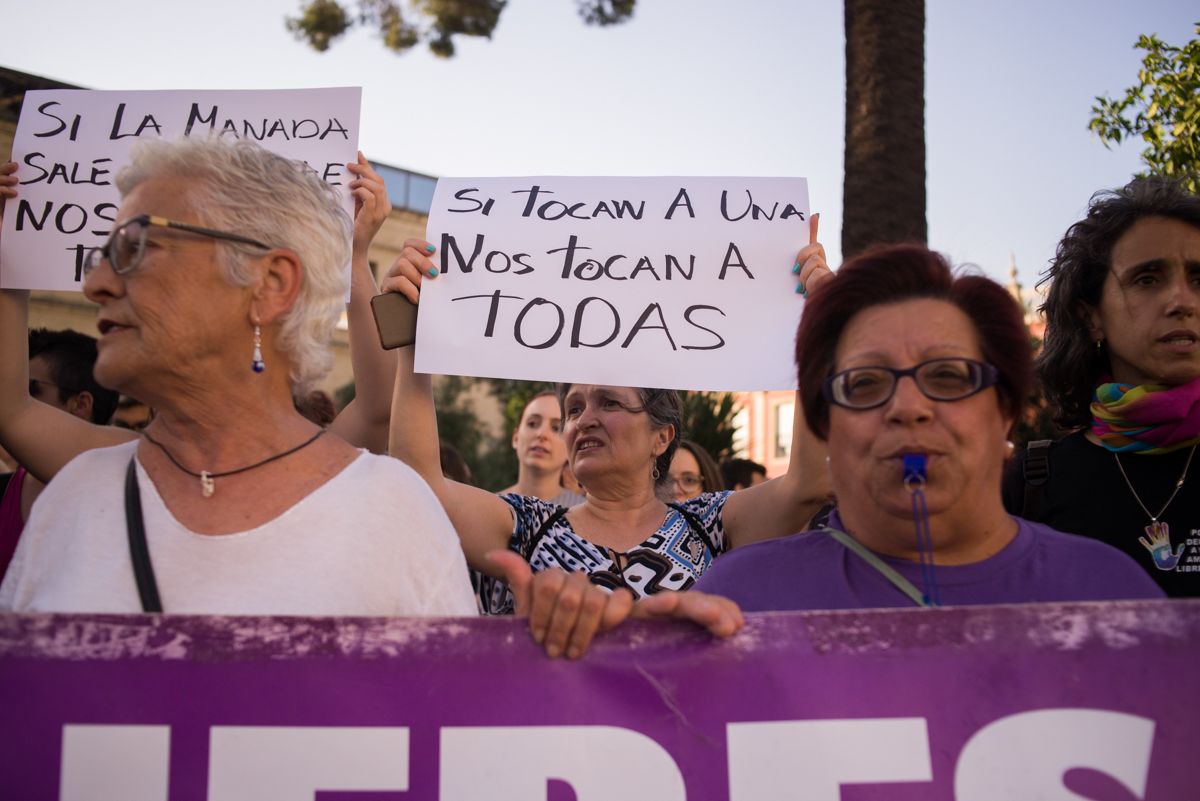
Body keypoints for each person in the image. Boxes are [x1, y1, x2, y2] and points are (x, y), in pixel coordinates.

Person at [0, 137, 476, 616]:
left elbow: (378, 406)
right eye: (102, 256)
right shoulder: (72, 499)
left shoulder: (394, 512)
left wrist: (352, 257)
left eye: (137, 248)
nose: (95, 284)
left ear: (271, 284)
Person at [385, 217, 836, 616]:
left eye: (610, 403)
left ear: (662, 437)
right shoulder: (526, 526)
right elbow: (418, 490)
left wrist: (820, 326)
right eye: (574, 408)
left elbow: (807, 484)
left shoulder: (711, 525)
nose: (584, 420)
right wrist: (413, 342)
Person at [697, 244, 1164, 609]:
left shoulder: (1110, 592)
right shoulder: (738, 600)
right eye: (865, 383)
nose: (908, 407)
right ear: (826, 425)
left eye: (946, 377)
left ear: (1004, 411)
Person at [1002, 177, 1200, 597]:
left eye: (1199, 279)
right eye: (1147, 279)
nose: (1182, 301)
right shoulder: (1030, 486)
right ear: (1091, 316)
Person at [1, 328, 120, 577]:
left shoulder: (128, 500)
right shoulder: (3, 491)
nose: (15, 399)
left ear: (81, 404)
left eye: (30, 389)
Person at [500, 391, 584, 507]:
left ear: (571, 446)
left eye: (556, 428)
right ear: (516, 438)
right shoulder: (486, 508)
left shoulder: (587, 513)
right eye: (532, 424)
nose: (542, 434)